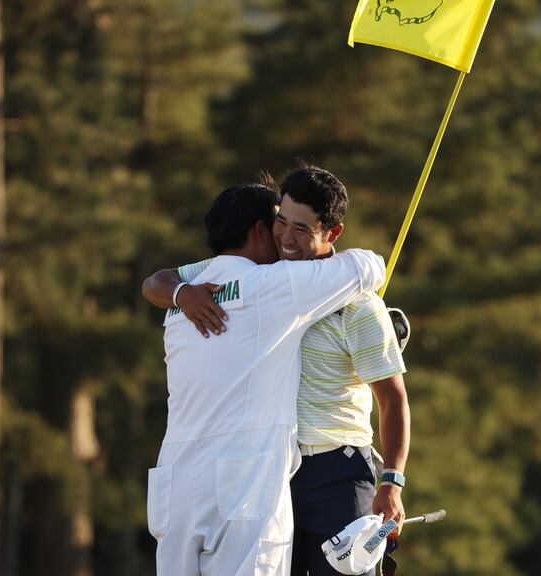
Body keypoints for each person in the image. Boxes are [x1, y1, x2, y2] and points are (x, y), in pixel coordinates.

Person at [144, 166, 411, 576]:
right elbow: (370, 264)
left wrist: (392, 480)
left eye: (300, 228)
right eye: (279, 223)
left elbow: (392, 398)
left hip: (325, 472)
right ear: (260, 229)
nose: (286, 237)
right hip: (260, 481)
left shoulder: (187, 298)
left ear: (332, 233)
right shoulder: (272, 282)